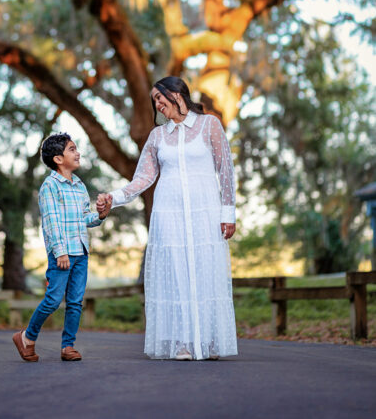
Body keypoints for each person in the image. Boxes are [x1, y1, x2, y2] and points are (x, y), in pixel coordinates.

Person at [97, 76, 237, 361]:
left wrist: (228, 213)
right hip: (168, 214)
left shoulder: (209, 125)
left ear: (176, 94)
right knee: (177, 274)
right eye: (155, 101)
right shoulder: (157, 136)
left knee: (205, 270)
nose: (157, 104)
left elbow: (225, 170)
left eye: (160, 98)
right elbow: (143, 178)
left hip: (205, 212)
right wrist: (114, 197)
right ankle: (184, 343)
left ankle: (207, 342)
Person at [13, 132, 111, 362]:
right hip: (62, 254)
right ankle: (27, 336)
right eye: (72, 149)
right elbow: (51, 221)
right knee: (53, 299)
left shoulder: (79, 185)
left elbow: (84, 218)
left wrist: (101, 215)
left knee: (75, 302)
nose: (78, 153)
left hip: (81, 252)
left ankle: (68, 347)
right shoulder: (50, 186)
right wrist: (61, 251)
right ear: (58, 158)